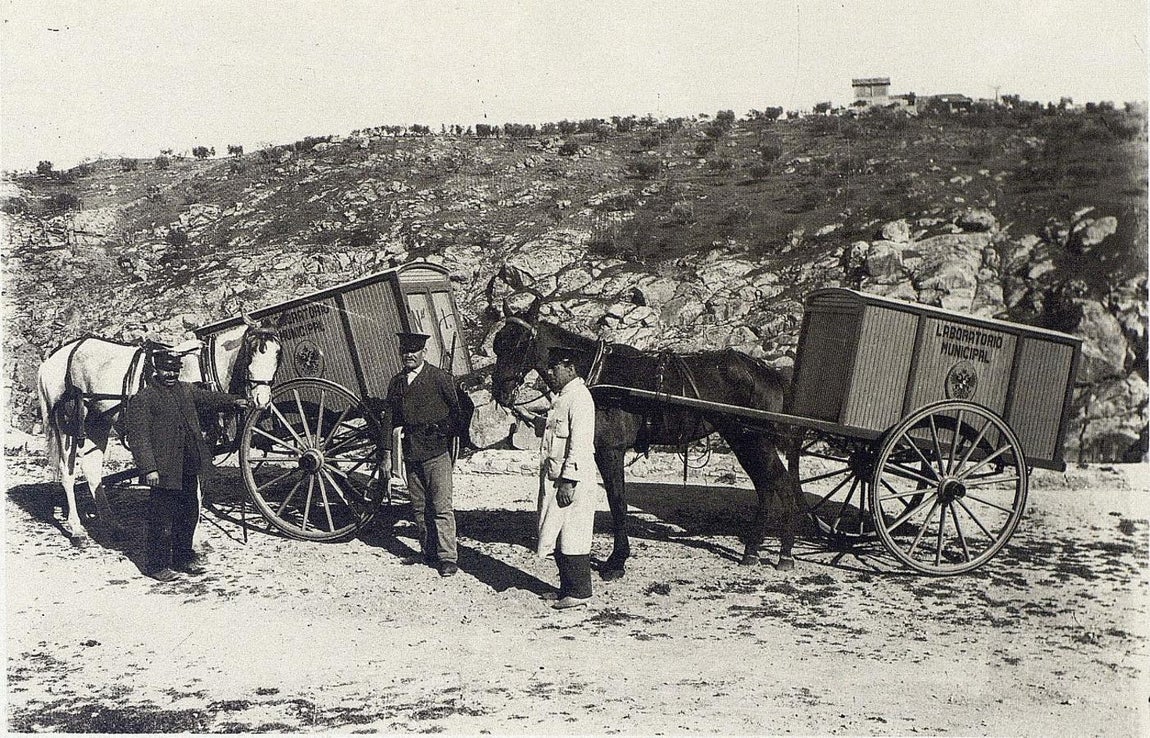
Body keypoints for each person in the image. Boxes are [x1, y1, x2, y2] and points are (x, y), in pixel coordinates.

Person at [126, 350, 250, 581]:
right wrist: (148, 468)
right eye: (166, 370)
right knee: (161, 518)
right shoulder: (144, 398)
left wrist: (235, 401)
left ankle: (183, 558)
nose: (171, 374)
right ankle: (156, 566)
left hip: (188, 463)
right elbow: (139, 437)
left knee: (189, 512)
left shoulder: (185, 390)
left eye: (175, 370)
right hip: (163, 469)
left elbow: (209, 398)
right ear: (155, 370)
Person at [383, 332, 465, 577]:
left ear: (423, 353)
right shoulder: (396, 382)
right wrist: (386, 453)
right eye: (405, 352)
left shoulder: (439, 378)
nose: (409, 356)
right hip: (411, 451)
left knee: (441, 507)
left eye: (414, 351)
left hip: (437, 453)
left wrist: (444, 431)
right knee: (419, 507)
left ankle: (448, 557)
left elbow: (459, 412)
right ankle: (428, 552)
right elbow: (389, 419)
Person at [537, 346, 598, 610]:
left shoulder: (580, 398)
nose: (550, 372)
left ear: (570, 368)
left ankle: (580, 592)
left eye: (555, 368)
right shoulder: (563, 396)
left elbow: (581, 444)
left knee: (574, 533)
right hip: (555, 476)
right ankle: (566, 589)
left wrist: (569, 480)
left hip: (572, 480)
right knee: (558, 532)